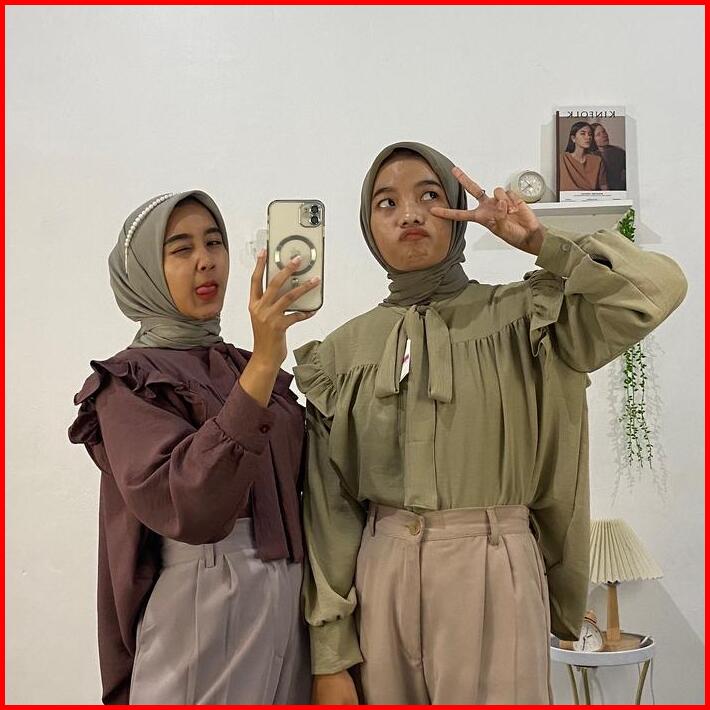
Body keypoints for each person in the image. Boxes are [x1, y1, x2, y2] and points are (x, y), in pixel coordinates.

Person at [293, 142, 687, 704]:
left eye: (429, 195)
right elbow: (331, 514)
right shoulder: (340, 353)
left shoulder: (527, 316)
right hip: (379, 575)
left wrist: (540, 242)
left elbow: (656, 290)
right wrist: (331, 654)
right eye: (387, 203)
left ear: (456, 210)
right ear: (366, 224)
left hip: (495, 565)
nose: (409, 214)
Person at [68, 190, 319, 704]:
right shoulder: (128, 382)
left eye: (214, 242)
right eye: (181, 249)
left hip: (290, 595)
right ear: (144, 272)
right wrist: (264, 364)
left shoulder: (243, 363)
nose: (206, 260)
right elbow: (189, 501)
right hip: (204, 596)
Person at [559, 121, 609, 191]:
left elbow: (603, 185)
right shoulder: (562, 158)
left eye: (590, 134)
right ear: (573, 138)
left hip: (591, 196)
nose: (588, 137)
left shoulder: (597, 160)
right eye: (583, 134)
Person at [591, 122, 627, 190]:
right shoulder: (590, 157)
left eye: (604, 131)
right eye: (598, 134)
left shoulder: (619, 152)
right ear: (593, 139)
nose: (604, 135)